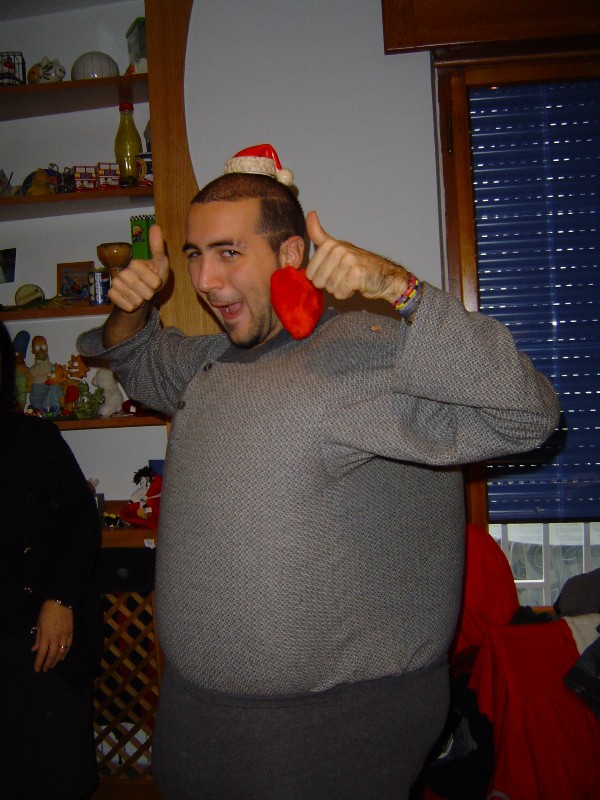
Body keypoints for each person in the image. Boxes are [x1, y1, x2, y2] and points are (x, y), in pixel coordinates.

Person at [77, 145, 560, 800]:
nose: (205, 281)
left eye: (228, 252)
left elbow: (528, 417)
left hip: (330, 730)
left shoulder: (361, 353)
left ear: (290, 255)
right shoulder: (207, 362)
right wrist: (132, 307)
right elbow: (135, 357)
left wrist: (403, 290)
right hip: (200, 715)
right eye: (193, 255)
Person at [0, 320, 103, 800]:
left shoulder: (34, 437)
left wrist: (60, 601)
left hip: (39, 639)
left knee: (56, 775)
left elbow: (81, 524)